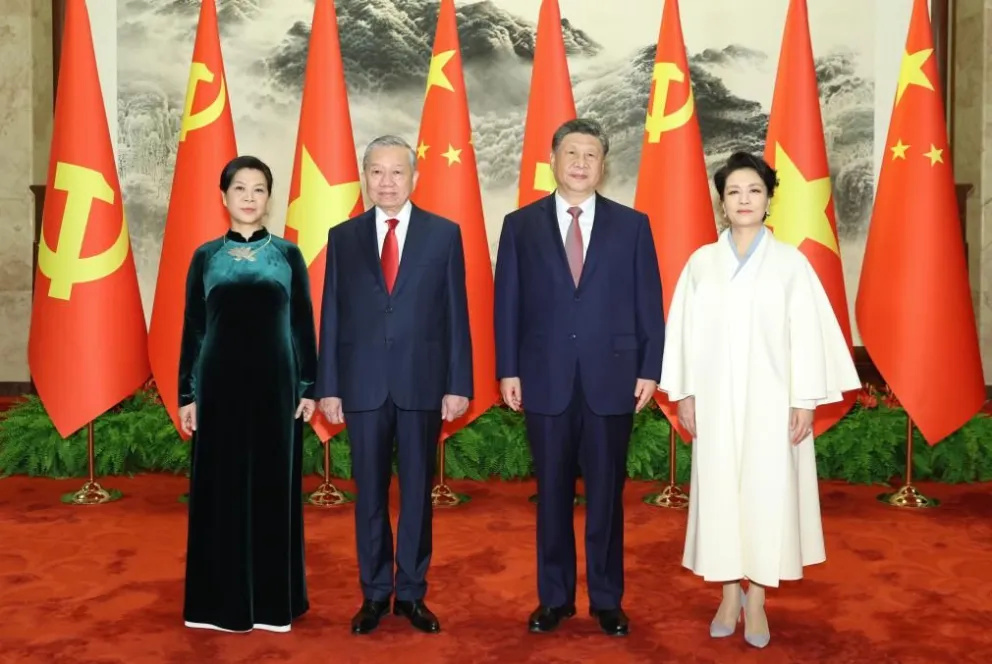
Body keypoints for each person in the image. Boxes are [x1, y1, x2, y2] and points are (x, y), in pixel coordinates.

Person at [658, 151, 860, 648]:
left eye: (754, 190)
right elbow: (682, 332)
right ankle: (729, 591)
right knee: (722, 490)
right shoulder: (702, 264)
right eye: (733, 192)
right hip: (714, 400)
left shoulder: (791, 264)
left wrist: (806, 399)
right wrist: (684, 392)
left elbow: (809, 336)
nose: (744, 200)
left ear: (769, 198)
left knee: (769, 495)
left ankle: (758, 599)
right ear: (721, 203)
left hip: (775, 402)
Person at [493, 118, 664, 637]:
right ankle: (555, 598)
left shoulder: (632, 225)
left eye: (591, 155)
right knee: (551, 496)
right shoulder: (519, 225)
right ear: (553, 159)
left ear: (603, 164)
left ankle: (608, 600)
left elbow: (648, 304)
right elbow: (508, 305)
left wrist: (650, 370)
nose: (581, 163)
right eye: (572, 153)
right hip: (544, 379)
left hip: (612, 380)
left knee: (608, 497)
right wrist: (508, 369)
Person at [315, 135, 473, 635]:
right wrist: (330, 386)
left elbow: (456, 316)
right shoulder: (343, 237)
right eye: (377, 172)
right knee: (369, 498)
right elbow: (333, 315)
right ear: (365, 176)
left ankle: (411, 594)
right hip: (361, 389)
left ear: (414, 177)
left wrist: (458, 383)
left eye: (397, 172)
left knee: (418, 497)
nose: (387, 182)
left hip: (423, 385)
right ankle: (374, 594)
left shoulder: (444, 235)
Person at [178, 155, 318, 633]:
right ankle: (215, 604)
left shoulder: (288, 255)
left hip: (276, 389)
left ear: (268, 198)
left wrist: (309, 388)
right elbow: (193, 331)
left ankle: (272, 604)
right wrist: (187, 395)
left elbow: (302, 325)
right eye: (240, 189)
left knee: (272, 488)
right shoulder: (204, 257)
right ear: (224, 197)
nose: (249, 198)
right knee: (220, 487)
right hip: (217, 388)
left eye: (259, 189)